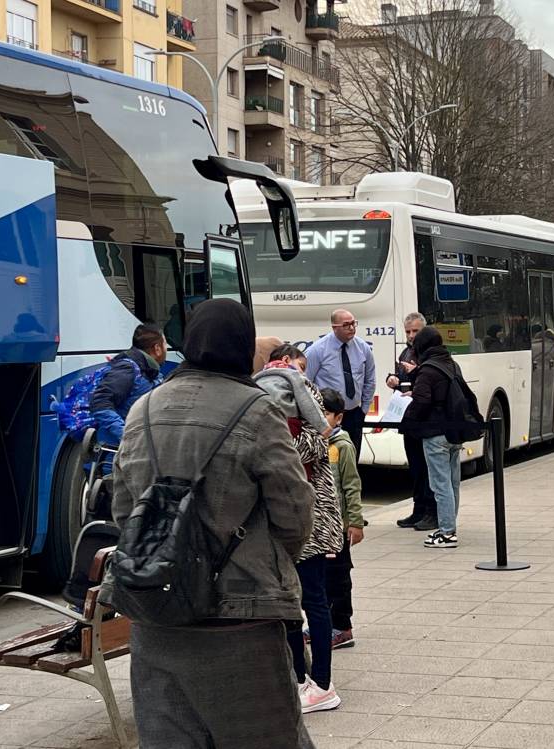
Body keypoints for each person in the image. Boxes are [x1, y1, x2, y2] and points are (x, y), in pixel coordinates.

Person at [104, 300, 316, 749]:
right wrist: (268, 563)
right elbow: (295, 510)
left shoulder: (143, 408)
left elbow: (125, 510)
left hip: (156, 615)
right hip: (239, 623)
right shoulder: (257, 410)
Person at [284, 378, 344, 715]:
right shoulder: (286, 419)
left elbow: (300, 450)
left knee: (313, 600)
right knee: (291, 605)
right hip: (286, 527)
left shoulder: (311, 426)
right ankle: (299, 678)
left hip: (311, 527)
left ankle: (322, 683)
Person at [404, 326, 463, 549]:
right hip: (454, 429)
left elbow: (421, 402)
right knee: (453, 482)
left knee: (440, 484)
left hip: (435, 432)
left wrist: (408, 418)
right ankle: (450, 525)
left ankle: (447, 532)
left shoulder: (428, 369)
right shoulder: (451, 363)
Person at [88, 324, 167, 473]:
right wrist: (126, 435)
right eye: (165, 345)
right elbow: (99, 403)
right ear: (157, 348)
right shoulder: (128, 369)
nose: (166, 350)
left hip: (135, 457)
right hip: (117, 459)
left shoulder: (150, 372)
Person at [321, 388, 364, 651]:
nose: (319, 417)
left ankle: (342, 626)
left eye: (325, 413)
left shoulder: (342, 446)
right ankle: (324, 623)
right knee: (321, 578)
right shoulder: (314, 443)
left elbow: (351, 486)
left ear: (339, 417)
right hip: (320, 526)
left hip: (338, 526)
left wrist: (356, 522)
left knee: (338, 577)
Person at [386, 312, 437, 530]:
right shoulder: (406, 352)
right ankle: (418, 510)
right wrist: (393, 379)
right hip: (408, 418)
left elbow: (431, 384)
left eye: (415, 331)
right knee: (415, 467)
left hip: (426, 420)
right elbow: (401, 379)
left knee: (428, 469)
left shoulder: (430, 354)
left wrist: (415, 373)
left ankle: (431, 512)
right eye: (408, 331)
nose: (411, 335)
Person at [305, 309, 376, 454]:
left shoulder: (363, 348)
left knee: (352, 457)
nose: (351, 328)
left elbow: (370, 379)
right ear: (334, 327)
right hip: (328, 415)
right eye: (346, 325)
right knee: (329, 459)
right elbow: (306, 383)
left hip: (354, 413)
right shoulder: (318, 350)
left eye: (353, 323)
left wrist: (364, 409)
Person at [256, 344, 332, 442]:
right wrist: (323, 427)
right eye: (302, 366)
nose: (303, 373)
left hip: (260, 421)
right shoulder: (294, 375)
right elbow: (307, 402)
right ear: (286, 359)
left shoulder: (258, 377)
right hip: (286, 419)